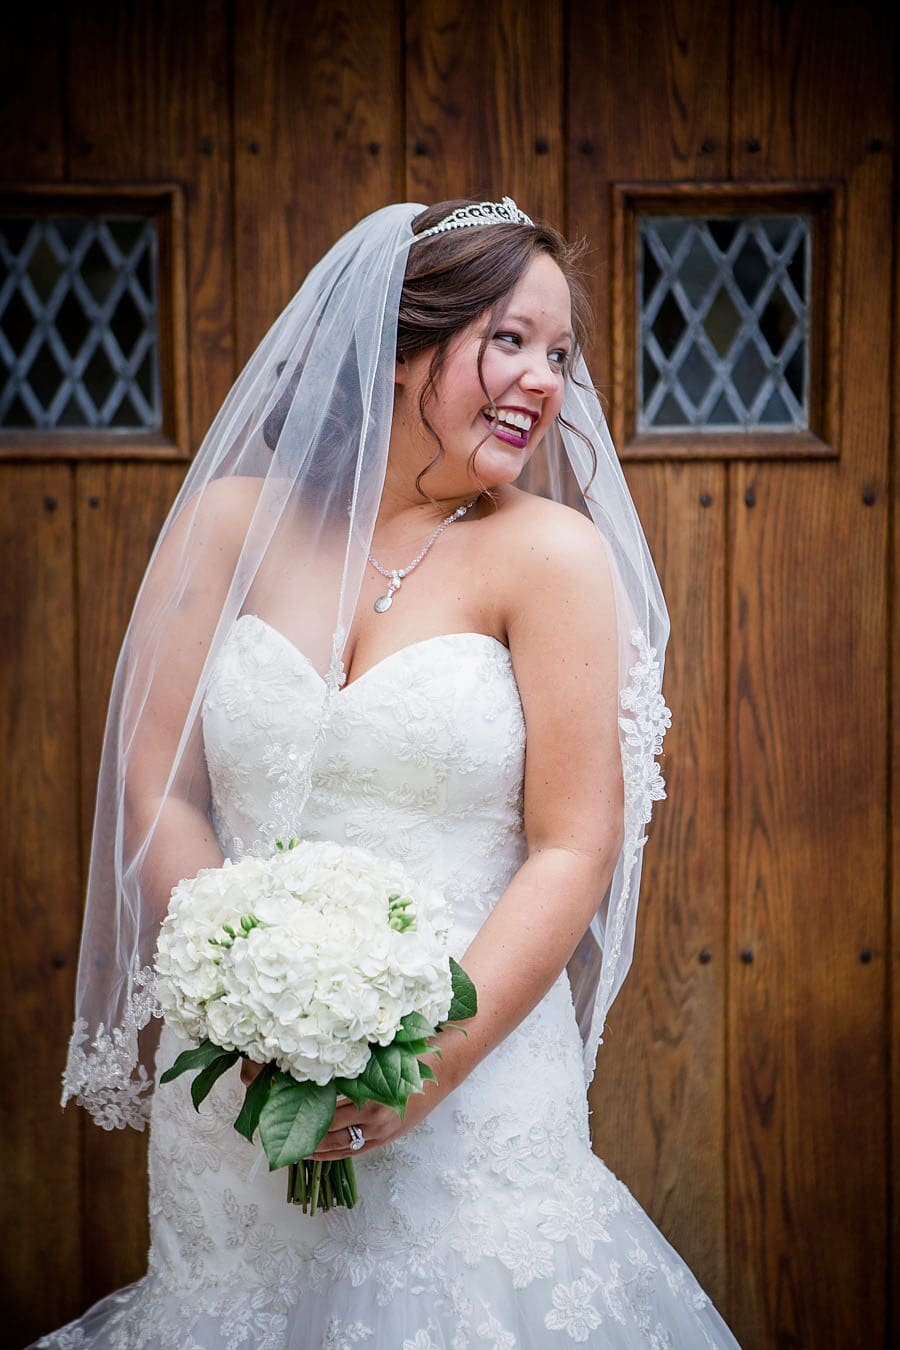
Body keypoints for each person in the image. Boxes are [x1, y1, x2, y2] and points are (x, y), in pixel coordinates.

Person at [34, 197, 741, 1347]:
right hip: (243, 1078)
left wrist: (429, 1070)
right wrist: (238, 995)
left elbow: (575, 843)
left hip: (476, 1078)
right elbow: (157, 785)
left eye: (560, 354)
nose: (545, 381)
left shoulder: (552, 555)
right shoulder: (229, 527)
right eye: (509, 341)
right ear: (401, 340)